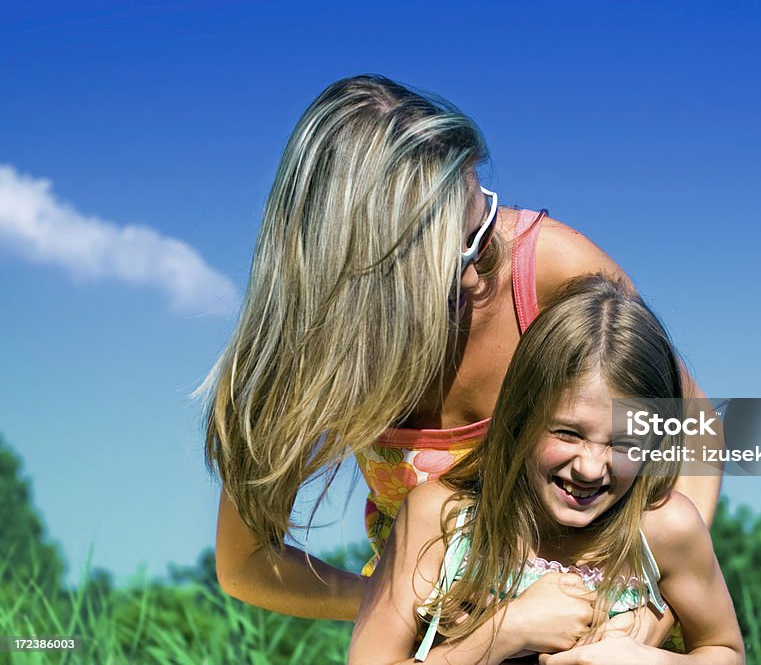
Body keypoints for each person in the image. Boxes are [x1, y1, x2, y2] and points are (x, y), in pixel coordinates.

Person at [203, 75, 723, 625]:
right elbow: (247, 566)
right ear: (358, 274)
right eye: (446, 264)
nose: (478, 279)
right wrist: (406, 608)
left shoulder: (553, 277)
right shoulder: (299, 364)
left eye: (482, 230)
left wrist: (646, 610)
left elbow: (696, 432)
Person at [350, 276, 744, 664]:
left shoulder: (664, 531)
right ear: (521, 417)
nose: (590, 468)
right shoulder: (444, 520)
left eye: (624, 444)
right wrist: (505, 633)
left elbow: (725, 652)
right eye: (568, 433)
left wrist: (643, 659)